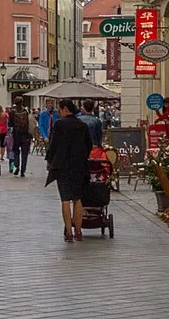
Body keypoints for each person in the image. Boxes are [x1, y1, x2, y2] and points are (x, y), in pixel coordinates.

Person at [44, 99, 94, 242]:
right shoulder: (82, 125)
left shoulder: (59, 124)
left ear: (65, 109)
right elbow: (89, 145)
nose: (58, 113)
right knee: (77, 199)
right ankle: (78, 231)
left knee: (65, 199)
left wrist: (50, 160)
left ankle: (69, 232)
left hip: (63, 166)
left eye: (59, 110)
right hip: (79, 166)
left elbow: (53, 145)